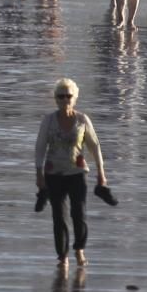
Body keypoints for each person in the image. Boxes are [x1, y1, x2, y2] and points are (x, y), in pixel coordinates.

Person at [35, 78, 107, 269]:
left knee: (79, 213)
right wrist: (39, 173)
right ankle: (63, 255)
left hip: (77, 172)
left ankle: (79, 249)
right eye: (61, 96)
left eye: (69, 96)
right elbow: (40, 147)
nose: (65, 99)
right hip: (54, 173)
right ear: (56, 99)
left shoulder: (82, 120)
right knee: (58, 215)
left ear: (74, 98)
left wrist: (101, 173)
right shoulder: (48, 120)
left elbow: (94, 147)